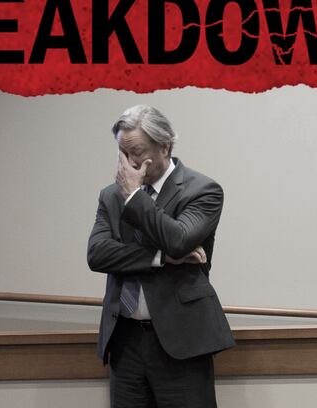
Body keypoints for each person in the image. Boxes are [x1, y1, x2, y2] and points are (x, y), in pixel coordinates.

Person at [87, 104, 235, 408]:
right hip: (125, 340)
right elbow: (98, 254)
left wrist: (134, 197)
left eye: (137, 152)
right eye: (122, 153)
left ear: (165, 146)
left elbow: (178, 240)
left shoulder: (202, 190)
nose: (129, 162)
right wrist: (161, 258)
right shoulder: (110, 196)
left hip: (182, 340)